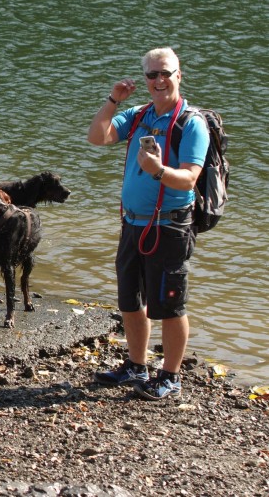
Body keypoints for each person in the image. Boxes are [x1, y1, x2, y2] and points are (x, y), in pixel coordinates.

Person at [87, 47, 209, 401]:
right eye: (152, 75)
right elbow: (97, 137)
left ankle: (170, 375)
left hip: (169, 227)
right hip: (133, 224)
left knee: (169, 306)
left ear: (179, 75)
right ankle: (136, 365)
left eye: (165, 73)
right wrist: (113, 100)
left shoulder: (191, 123)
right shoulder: (139, 115)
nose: (159, 80)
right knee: (131, 301)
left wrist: (157, 170)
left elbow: (189, 179)